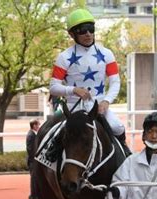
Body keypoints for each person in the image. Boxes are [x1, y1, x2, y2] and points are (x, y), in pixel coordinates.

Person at [49, 7, 131, 157]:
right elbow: (53, 87)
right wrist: (72, 90)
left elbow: (115, 82)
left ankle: (125, 154)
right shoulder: (64, 57)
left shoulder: (106, 54)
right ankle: (46, 162)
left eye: (90, 29)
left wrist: (106, 101)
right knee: (54, 134)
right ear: (72, 34)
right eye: (81, 30)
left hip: (98, 106)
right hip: (72, 108)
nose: (87, 34)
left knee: (118, 127)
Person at [26, 119, 40, 199]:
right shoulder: (31, 135)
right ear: (34, 125)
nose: (39, 126)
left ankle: (35, 195)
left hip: (33, 160)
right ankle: (33, 196)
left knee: (35, 178)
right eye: (38, 124)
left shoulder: (33, 134)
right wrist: (35, 159)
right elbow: (30, 149)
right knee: (34, 178)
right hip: (33, 160)